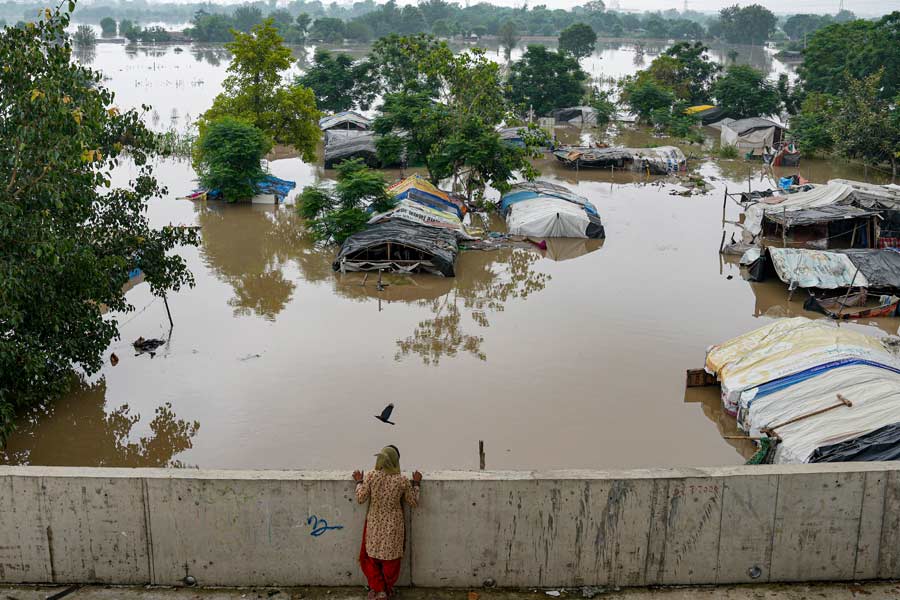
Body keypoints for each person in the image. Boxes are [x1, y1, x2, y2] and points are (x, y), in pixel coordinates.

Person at [353, 446, 422, 600]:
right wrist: (416, 484)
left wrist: (358, 481)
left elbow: (360, 498)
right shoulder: (402, 480)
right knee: (391, 560)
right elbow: (414, 502)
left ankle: (378, 590)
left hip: (374, 524)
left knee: (372, 558)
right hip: (394, 526)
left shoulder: (371, 476)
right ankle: (386, 590)